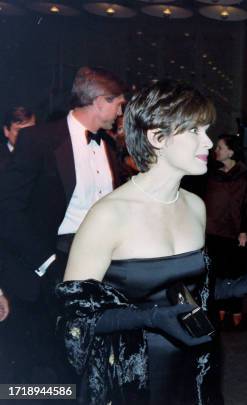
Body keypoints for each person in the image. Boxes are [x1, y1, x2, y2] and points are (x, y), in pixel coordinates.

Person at [56, 80, 222, 404]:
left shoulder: (195, 206)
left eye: (207, 130)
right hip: (130, 378)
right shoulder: (109, 215)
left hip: (192, 369)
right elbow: (73, 318)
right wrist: (148, 318)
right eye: (195, 131)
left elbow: (185, 289)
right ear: (157, 137)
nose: (209, 142)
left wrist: (231, 288)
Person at [0, 67, 125, 383]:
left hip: (100, 268)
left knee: (89, 360)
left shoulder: (109, 146)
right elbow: (8, 209)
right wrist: (45, 262)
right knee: (48, 365)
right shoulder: (38, 139)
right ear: (99, 102)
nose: (121, 112)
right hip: (50, 265)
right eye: (118, 104)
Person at [204, 134, 247, 327]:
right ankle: (219, 308)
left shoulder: (243, 174)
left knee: (234, 273)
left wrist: (245, 231)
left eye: (220, 147)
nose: (215, 151)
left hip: (234, 232)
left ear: (231, 151)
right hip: (212, 230)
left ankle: (235, 308)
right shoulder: (211, 172)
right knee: (214, 272)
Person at [0, 106, 35, 171]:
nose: (27, 135)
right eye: (20, 131)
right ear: (6, 131)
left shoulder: (43, 153)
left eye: (31, 130)